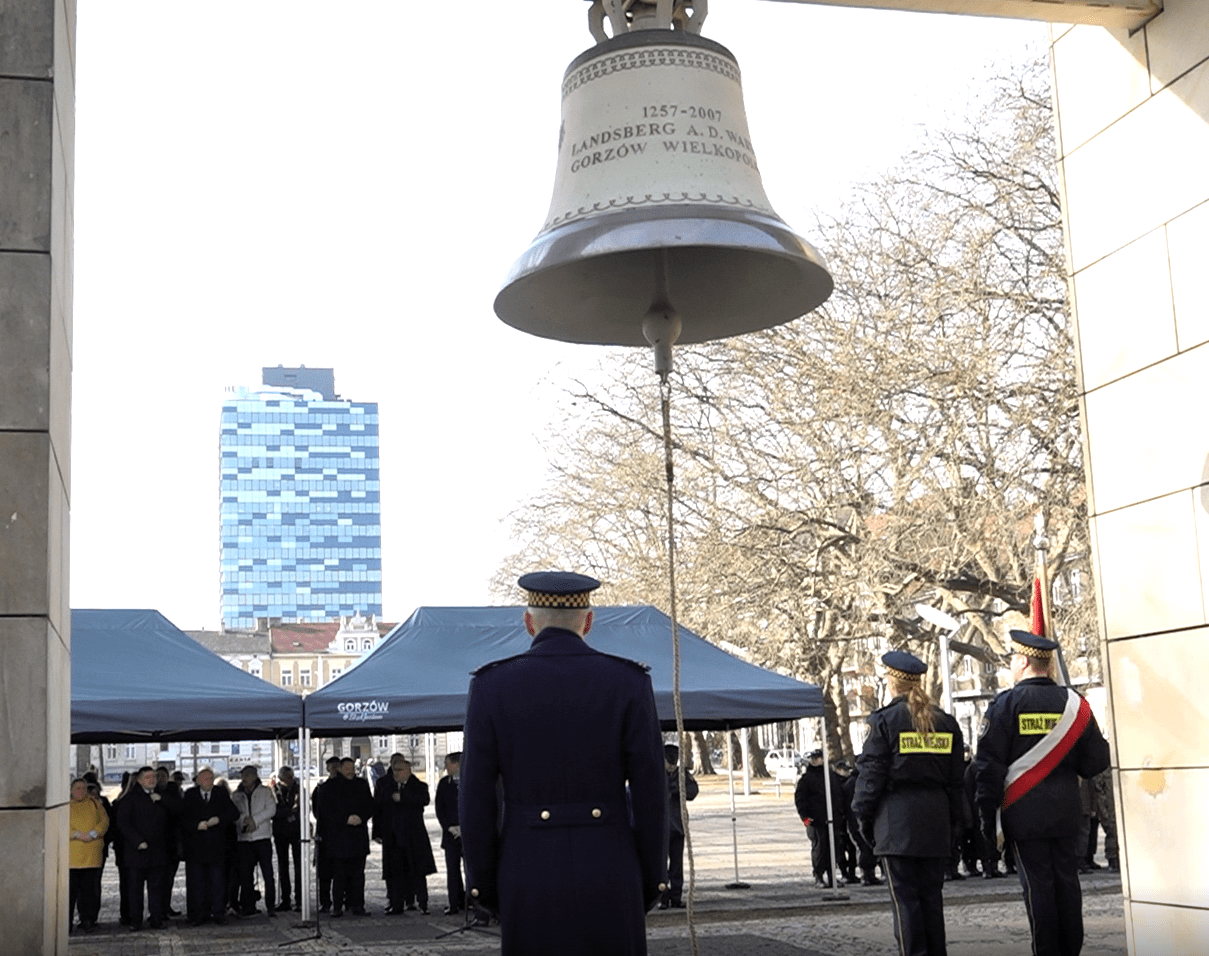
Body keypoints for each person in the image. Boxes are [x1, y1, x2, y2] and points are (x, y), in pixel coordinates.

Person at [460, 571, 668, 956]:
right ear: (588, 622)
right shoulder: (629, 682)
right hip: (609, 866)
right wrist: (651, 878)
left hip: (528, 870)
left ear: (528, 623)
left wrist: (484, 885)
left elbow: (476, 799)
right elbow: (651, 793)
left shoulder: (492, 685)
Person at [974, 630, 1111, 956]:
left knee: (1038, 887)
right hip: (1066, 809)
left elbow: (988, 769)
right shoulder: (1076, 705)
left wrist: (985, 817)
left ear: (1022, 661)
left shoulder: (1005, 706)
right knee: (1067, 883)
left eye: (1011, 659)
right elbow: (1097, 762)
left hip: (1022, 810)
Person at [852, 650, 965, 956]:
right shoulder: (946, 722)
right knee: (931, 900)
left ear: (892, 683)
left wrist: (863, 818)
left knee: (905, 902)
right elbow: (958, 781)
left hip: (897, 821)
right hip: (936, 819)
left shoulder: (885, 721)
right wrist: (956, 823)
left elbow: (871, 776)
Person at [115, 766, 179, 931]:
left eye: (153, 777)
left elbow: (178, 811)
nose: (151, 780)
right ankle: (135, 920)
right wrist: (137, 841)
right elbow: (123, 822)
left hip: (158, 852)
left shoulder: (163, 796)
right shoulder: (130, 798)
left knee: (156, 888)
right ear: (140, 780)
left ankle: (156, 918)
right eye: (148, 777)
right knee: (135, 889)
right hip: (137, 852)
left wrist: (162, 800)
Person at [374, 756, 437, 914]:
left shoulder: (418, 786)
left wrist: (403, 798)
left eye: (400, 770)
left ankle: (422, 903)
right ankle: (396, 904)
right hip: (393, 838)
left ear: (408, 771)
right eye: (395, 770)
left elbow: (423, 799)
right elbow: (378, 809)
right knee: (396, 873)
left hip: (413, 837)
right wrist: (378, 832)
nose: (397, 773)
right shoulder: (387, 786)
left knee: (417, 872)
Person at [318, 756, 375, 917]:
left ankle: (357, 905)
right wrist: (345, 819)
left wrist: (361, 817)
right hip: (338, 838)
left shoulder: (362, 784)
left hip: (358, 837)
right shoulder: (330, 788)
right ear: (341, 769)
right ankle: (337, 906)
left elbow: (370, 805)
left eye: (352, 767)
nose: (350, 770)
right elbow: (326, 811)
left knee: (358, 875)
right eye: (347, 767)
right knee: (339, 875)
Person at [180, 766, 237, 926]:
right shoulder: (190, 795)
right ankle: (197, 915)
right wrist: (195, 825)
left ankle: (218, 913)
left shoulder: (220, 794)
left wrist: (219, 819)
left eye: (211, 779)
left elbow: (234, 813)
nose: (208, 782)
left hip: (217, 847)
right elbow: (181, 819)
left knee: (217, 882)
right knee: (196, 884)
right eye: (205, 779)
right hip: (195, 848)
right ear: (198, 780)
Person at [794, 749, 847, 887]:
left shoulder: (831, 777)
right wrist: (804, 817)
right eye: (815, 758)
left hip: (833, 819)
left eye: (819, 758)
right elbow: (800, 799)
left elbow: (840, 794)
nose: (817, 760)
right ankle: (818, 876)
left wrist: (841, 813)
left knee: (833, 848)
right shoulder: (806, 779)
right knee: (820, 848)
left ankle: (832, 876)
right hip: (815, 821)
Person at [231, 764, 277, 917]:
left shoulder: (265, 792)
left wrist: (255, 821)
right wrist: (244, 821)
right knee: (246, 874)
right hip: (244, 839)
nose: (244, 779)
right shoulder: (237, 795)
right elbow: (234, 813)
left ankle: (270, 905)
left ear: (255, 776)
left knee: (267, 873)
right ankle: (248, 905)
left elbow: (271, 809)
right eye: (243, 776)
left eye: (248, 776)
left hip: (261, 837)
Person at [660, 743, 698, 909]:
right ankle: (662, 897)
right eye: (668, 762)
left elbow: (693, 792)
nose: (671, 765)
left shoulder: (682, 774)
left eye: (673, 762)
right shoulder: (655, 773)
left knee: (676, 865)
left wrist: (677, 788)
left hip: (678, 826)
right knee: (660, 866)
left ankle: (676, 896)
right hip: (659, 827)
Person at [69, 778, 109, 932]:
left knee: (89, 891)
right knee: (70, 893)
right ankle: (67, 922)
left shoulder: (94, 804)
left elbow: (104, 821)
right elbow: (60, 823)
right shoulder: (66, 805)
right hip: (72, 858)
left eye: (83, 788)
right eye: (78, 788)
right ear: (71, 790)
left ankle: (88, 920)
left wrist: (94, 833)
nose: (81, 791)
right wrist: (76, 834)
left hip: (92, 856)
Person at [434, 752, 467, 916]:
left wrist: (465, 827)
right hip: (450, 835)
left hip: (469, 835)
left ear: (456, 764)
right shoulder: (444, 784)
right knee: (452, 871)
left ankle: (473, 903)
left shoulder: (471, 782)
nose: (445, 767)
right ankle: (454, 902)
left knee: (471, 871)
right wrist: (449, 827)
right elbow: (440, 810)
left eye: (447, 764)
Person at [840, 763, 881, 885]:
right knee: (863, 847)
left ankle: (869, 874)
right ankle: (865, 874)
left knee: (868, 847)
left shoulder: (858, 781)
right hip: (855, 820)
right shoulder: (853, 783)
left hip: (862, 818)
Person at [312, 755, 343, 911]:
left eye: (338, 767)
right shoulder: (321, 788)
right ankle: (325, 902)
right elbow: (316, 811)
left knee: (342, 871)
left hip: (343, 835)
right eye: (332, 767)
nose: (335, 770)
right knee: (324, 873)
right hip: (325, 834)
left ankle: (343, 901)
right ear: (328, 769)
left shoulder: (348, 787)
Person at [154, 766, 184, 918]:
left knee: (169, 877)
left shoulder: (172, 792)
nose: (161, 779)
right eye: (157, 776)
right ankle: (158, 910)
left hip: (172, 842)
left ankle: (165, 906)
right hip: (156, 842)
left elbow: (179, 809)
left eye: (163, 776)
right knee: (157, 879)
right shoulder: (150, 792)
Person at [272, 766, 303, 911]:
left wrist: (287, 812)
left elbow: (300, 808)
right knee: (282, 866)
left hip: (297, 830)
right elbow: (274, 811)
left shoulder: (298, 788)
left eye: (289, 778)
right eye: (284, 779)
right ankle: (285, 899)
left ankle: (299, 899)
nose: (287, 781)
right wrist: (289, 811)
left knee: (299, 866)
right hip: (280, 831)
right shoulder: (274, 790)